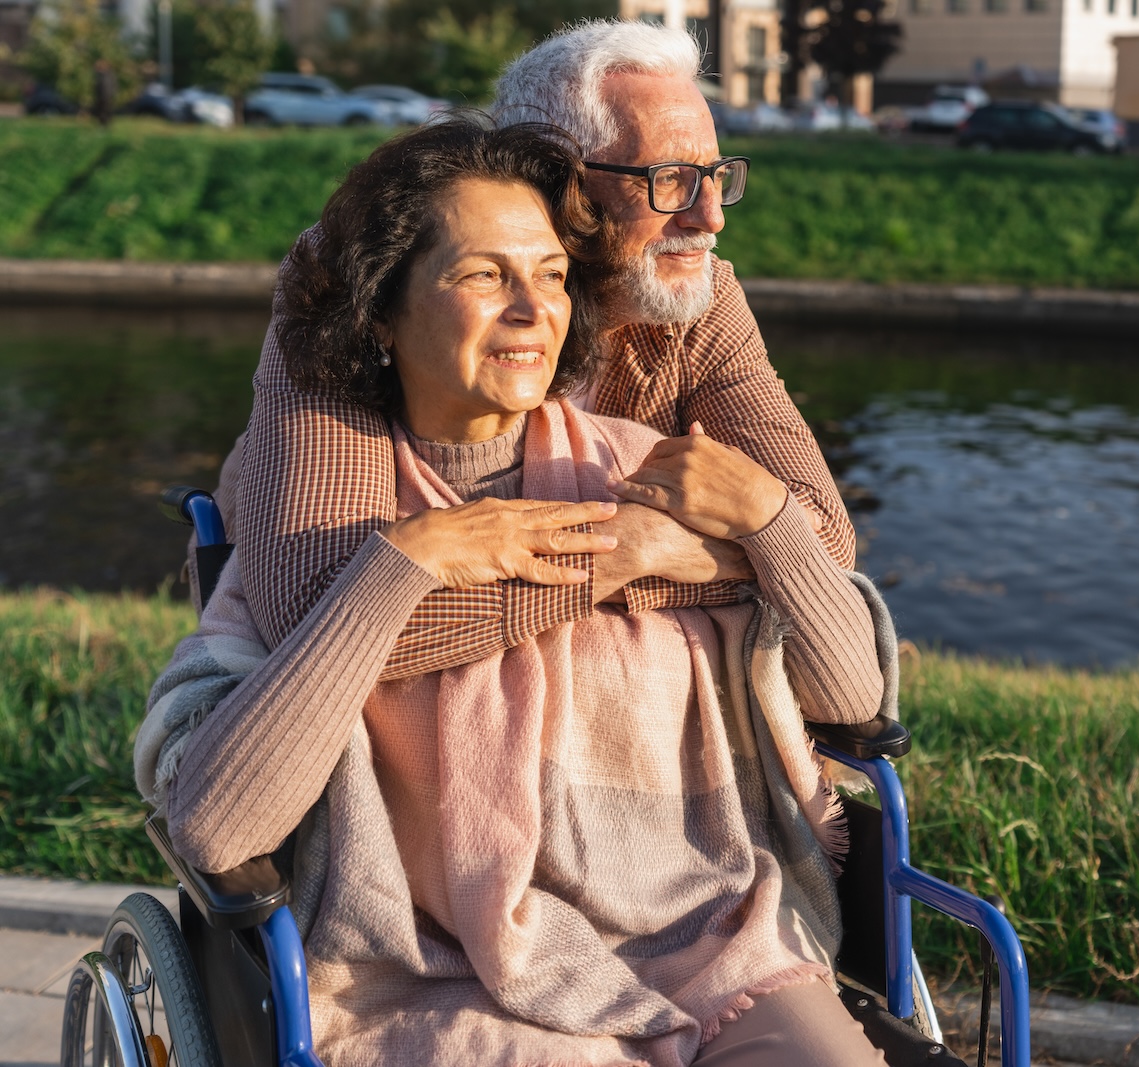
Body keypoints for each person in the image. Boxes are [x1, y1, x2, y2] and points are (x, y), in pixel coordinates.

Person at [139, 118, 889, 1066]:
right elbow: (216, 825)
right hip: (449, 981)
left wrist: (770, 525)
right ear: (380, 311)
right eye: (485, 276)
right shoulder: (327, 541)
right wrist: (397, 569)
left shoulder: (643, 476)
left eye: (550, 275)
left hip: (712, 948)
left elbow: (853, 694)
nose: (533, 309)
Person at [210, 20, 852, 677]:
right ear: (560, 178)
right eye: (670, 180)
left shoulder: (701, 294)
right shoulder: (359, 269)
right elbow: (311, 611)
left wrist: (650, 550)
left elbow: (823, 545)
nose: (710, 217)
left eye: (716, 175)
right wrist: (628, 551)